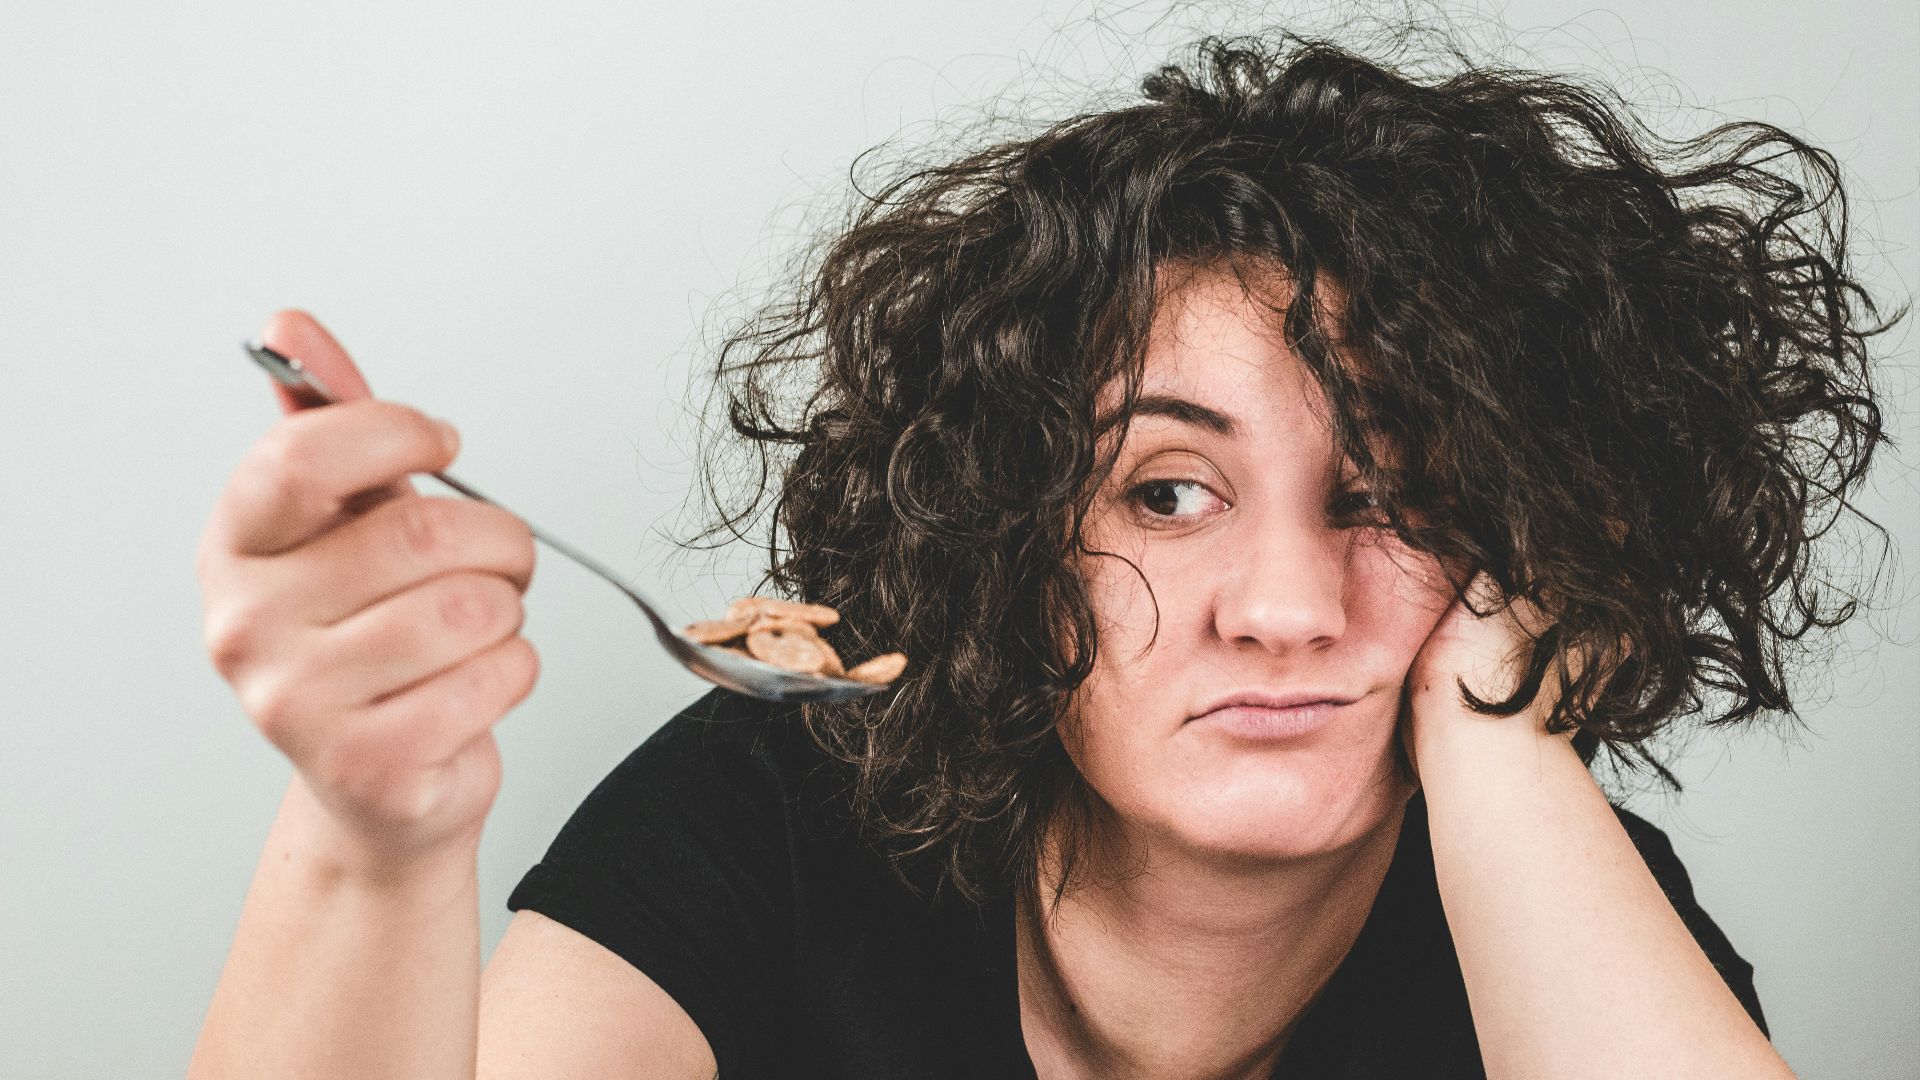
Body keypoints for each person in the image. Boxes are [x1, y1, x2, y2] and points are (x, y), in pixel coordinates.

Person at [187, 28, 1896, 1080]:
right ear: (1010, 533)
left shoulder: (1549, 894)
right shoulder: (770, 813)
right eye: (1165, 492)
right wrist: (370, 840)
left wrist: (1513, 738)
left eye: (1389, 496)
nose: (1291, 611)